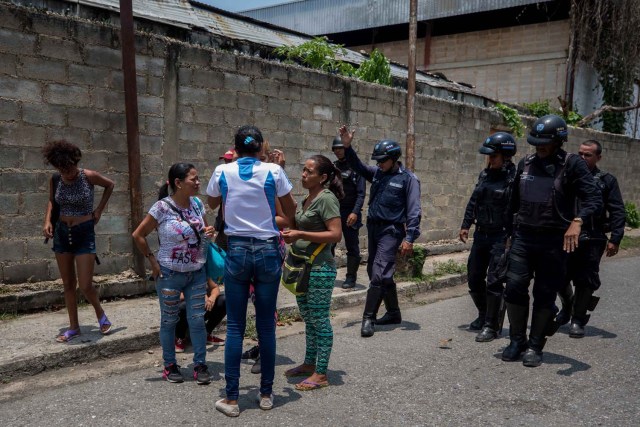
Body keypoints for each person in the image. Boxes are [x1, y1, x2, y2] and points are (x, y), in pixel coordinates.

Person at [207, 125, 296, 417]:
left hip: (238, 249)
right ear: (260, 148)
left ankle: (232, 399)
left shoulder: (223, 173)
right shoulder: (274, 171)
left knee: (234, 326)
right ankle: (267, 393)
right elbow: (290, 210)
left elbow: (212, 202)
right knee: (266, 325)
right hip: (269, 250)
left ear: (235, 148)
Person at [502, 115, 602, 367]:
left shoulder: (572, 165)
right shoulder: (525, 163)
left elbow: (593, 199)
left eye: (544, 142)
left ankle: (535, 345)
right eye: (536, 142)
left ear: (558, 141)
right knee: (514, 287)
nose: (539, 147)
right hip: (523, 236)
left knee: (544, 293)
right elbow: (512, 202)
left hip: (554, 241)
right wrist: (505, 236)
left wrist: (577, 221)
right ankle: (517, 340)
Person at [132, 163, 214, 384]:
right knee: (169, 321)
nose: (198, 183)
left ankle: (200, 364)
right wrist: (151, 260)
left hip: (196, 272)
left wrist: (208, 233)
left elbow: (205, 232)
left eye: (198, 179)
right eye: (193, 179)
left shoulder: (197, 204)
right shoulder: (161, 208)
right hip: (169, 273)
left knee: (197, 320)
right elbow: (138, 235)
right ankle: (170, 365)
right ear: (178, 183)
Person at [338, 126, 422, 338]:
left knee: (379, 272)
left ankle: (368, 318)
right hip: (374, 229)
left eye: (382, 160)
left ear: (394, 159)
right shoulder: (376, 174)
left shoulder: (408, 179)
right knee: (376, 273)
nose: (378, 164)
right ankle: (393, 313)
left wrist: (410, 237)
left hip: (391, 231)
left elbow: (414, 209)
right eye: (377, 161)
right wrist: (347, 146)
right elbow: (357, 166)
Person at [42, 140, 115, 343]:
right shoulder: (55, 179)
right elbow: (51, 201)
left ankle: (100, 314)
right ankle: (74, 327)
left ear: (75, 161)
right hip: (62, 233)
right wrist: (47, 221)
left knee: (85, 284)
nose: (68, 173)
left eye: (70, 168)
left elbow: (110, 185)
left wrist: (98, 210)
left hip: (84, 232)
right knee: (68, 284)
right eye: (63, 169)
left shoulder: (88, 176)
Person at [281, 155, 343, 390]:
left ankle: (321, 373)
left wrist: (300, 235)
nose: (303, 175)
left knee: (319, 320)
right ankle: (309, 364)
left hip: (320, 269)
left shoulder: (326, 199)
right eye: (303, 170)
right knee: (308, 318)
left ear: (323, 177)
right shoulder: (308, 198)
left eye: (309, 172)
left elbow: (335, 234)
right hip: (303, 267)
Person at [555, 139, 625, 338]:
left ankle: (578, 319)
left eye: (588, 155)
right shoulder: (567, 177)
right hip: (565, 235)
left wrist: (616, 238)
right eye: (580, 154)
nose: (583, 158)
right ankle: (567, 307)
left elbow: (618, 210)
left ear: (598, 157)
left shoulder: (606, 180)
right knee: (558, 277)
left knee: (585, 280)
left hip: (592, 237)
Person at [459, 132, 517, 342]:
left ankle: (492, 325)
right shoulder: (484, 175)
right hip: (481, 234)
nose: (490, 159)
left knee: (494, 281)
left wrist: (513, 237)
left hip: (500, 237)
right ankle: (483, 314)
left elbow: (517, 210)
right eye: (489, 156)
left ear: (506, 155)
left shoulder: (514, 179)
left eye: (494, 156)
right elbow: (474, 201)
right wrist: (466, 225)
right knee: (474, 277)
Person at [331, 136, 366, 289]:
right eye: (336, 148)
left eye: (341, 148)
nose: (338, 151)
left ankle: (351, 278)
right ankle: (329, 274)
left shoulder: (356, 168)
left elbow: (361, 193)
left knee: (352, 246)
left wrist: (355, 212)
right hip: (334, 212)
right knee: (328, 245)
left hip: (350, 213)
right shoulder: (332, 167)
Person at [174, 279, 226, 352]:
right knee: (183, 306)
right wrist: (199, 295)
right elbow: (175, 296)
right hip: (186, 309)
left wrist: (212, 297)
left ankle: (206, 333)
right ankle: (180, 337)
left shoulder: (202, 271)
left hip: (203, 307)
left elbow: (215, 287)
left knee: (224, 301)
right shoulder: (177, 274)